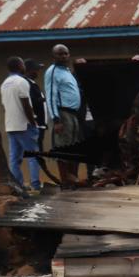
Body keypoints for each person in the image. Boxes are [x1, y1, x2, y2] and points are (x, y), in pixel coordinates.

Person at [44, 44, 83, 188]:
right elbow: (51, 96)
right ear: (53, 56)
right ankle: (66, 182)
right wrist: (56, 119)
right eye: (60, 54)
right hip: (62, 114)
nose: (64, 56)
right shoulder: (52, 72)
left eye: (66, 53)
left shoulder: (67, 71)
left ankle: (74, 180)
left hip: (73, 114)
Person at [0, 56, 40, 192]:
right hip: (24, 125)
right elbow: (26, 104)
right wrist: (33, 122)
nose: (24, 66)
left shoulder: (5, 83)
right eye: (23, 64)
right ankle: (35, 185)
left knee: (14, 159)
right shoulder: (21, 82)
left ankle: (18, 186)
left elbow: (5, 106)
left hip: (10, 125)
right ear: (19, 66)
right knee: (33, 156)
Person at [24, 58, 47, 151]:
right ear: (28, 71)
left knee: (38, 147)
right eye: (36, 69)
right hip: (36, 124)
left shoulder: (32, 83)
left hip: (40, 124)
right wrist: (44, 99)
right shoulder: (26, 83)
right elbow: (30, 102)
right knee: (36, 149)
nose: (38, 72)